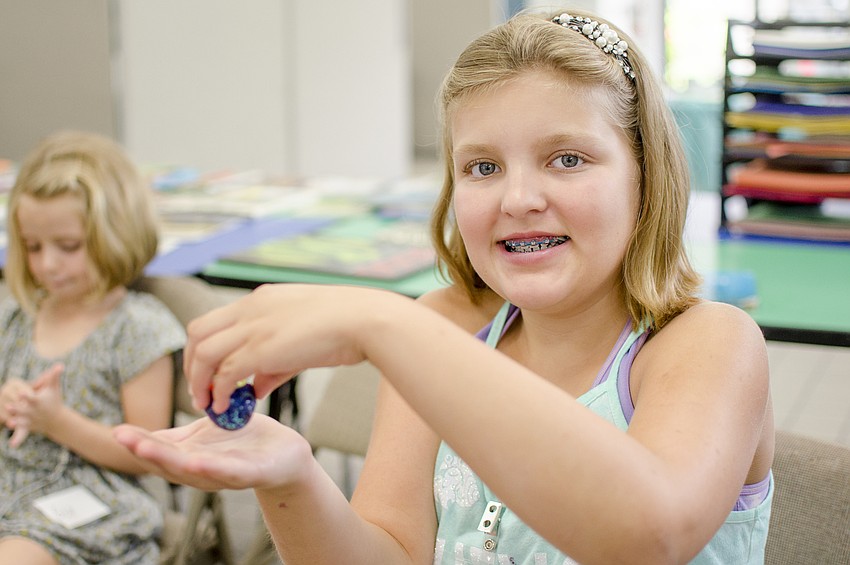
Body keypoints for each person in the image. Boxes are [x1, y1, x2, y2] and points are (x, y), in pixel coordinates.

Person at [116, 8, 774, 564]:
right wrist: (289, 476)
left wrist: (384, 324)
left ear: (646, 175)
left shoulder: (710, 344)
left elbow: (649, 530)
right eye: (483, 166)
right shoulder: (452, 322)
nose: (518, 197)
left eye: (566, 159)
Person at [0, 130, 185, 565]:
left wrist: (56, 421)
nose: (47, 263)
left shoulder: (138, 329)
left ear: (114, 234)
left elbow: (147, 453)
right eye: (32, 247)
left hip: (91, 499)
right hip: (12, 479)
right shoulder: (17, 316)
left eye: (68, 247)